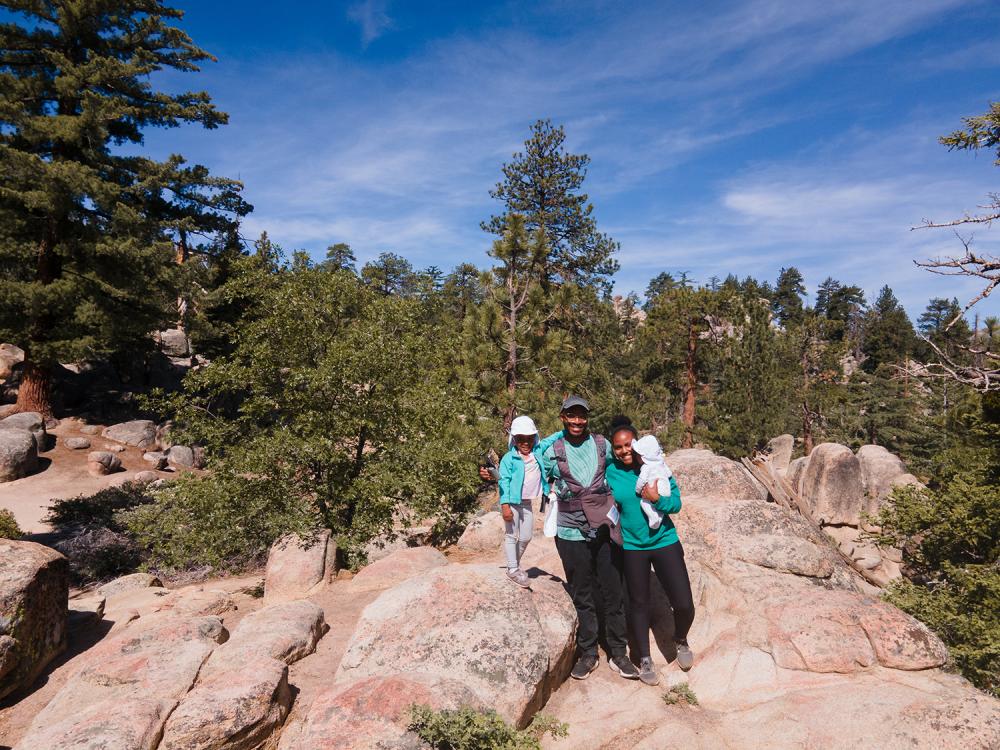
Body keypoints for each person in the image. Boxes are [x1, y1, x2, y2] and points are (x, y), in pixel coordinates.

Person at [607, 416, 695, 686]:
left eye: (628, 445)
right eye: (618, 447)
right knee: (638, 603)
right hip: (633, 546)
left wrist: (659, 500)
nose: (624, 451)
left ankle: (680, 639)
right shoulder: (611, 470)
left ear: (637, 444)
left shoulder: (656, 466)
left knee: (683, 603)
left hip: (665, 540)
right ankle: (644, 657)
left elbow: (677, 503)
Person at [497, 415, 548, 588]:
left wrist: (565, 431)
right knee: (511, 535)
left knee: (526, 537)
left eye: (529, 438)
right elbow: (503, 482)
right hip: (511, 502)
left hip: (526, 503)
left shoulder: (537, 454)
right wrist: (504, 506)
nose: (525, 443)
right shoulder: (509, 459)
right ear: (514, 439)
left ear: (535, 438)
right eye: (520, 439)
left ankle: (514, 564)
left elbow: (552, 439)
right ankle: (512, 569)